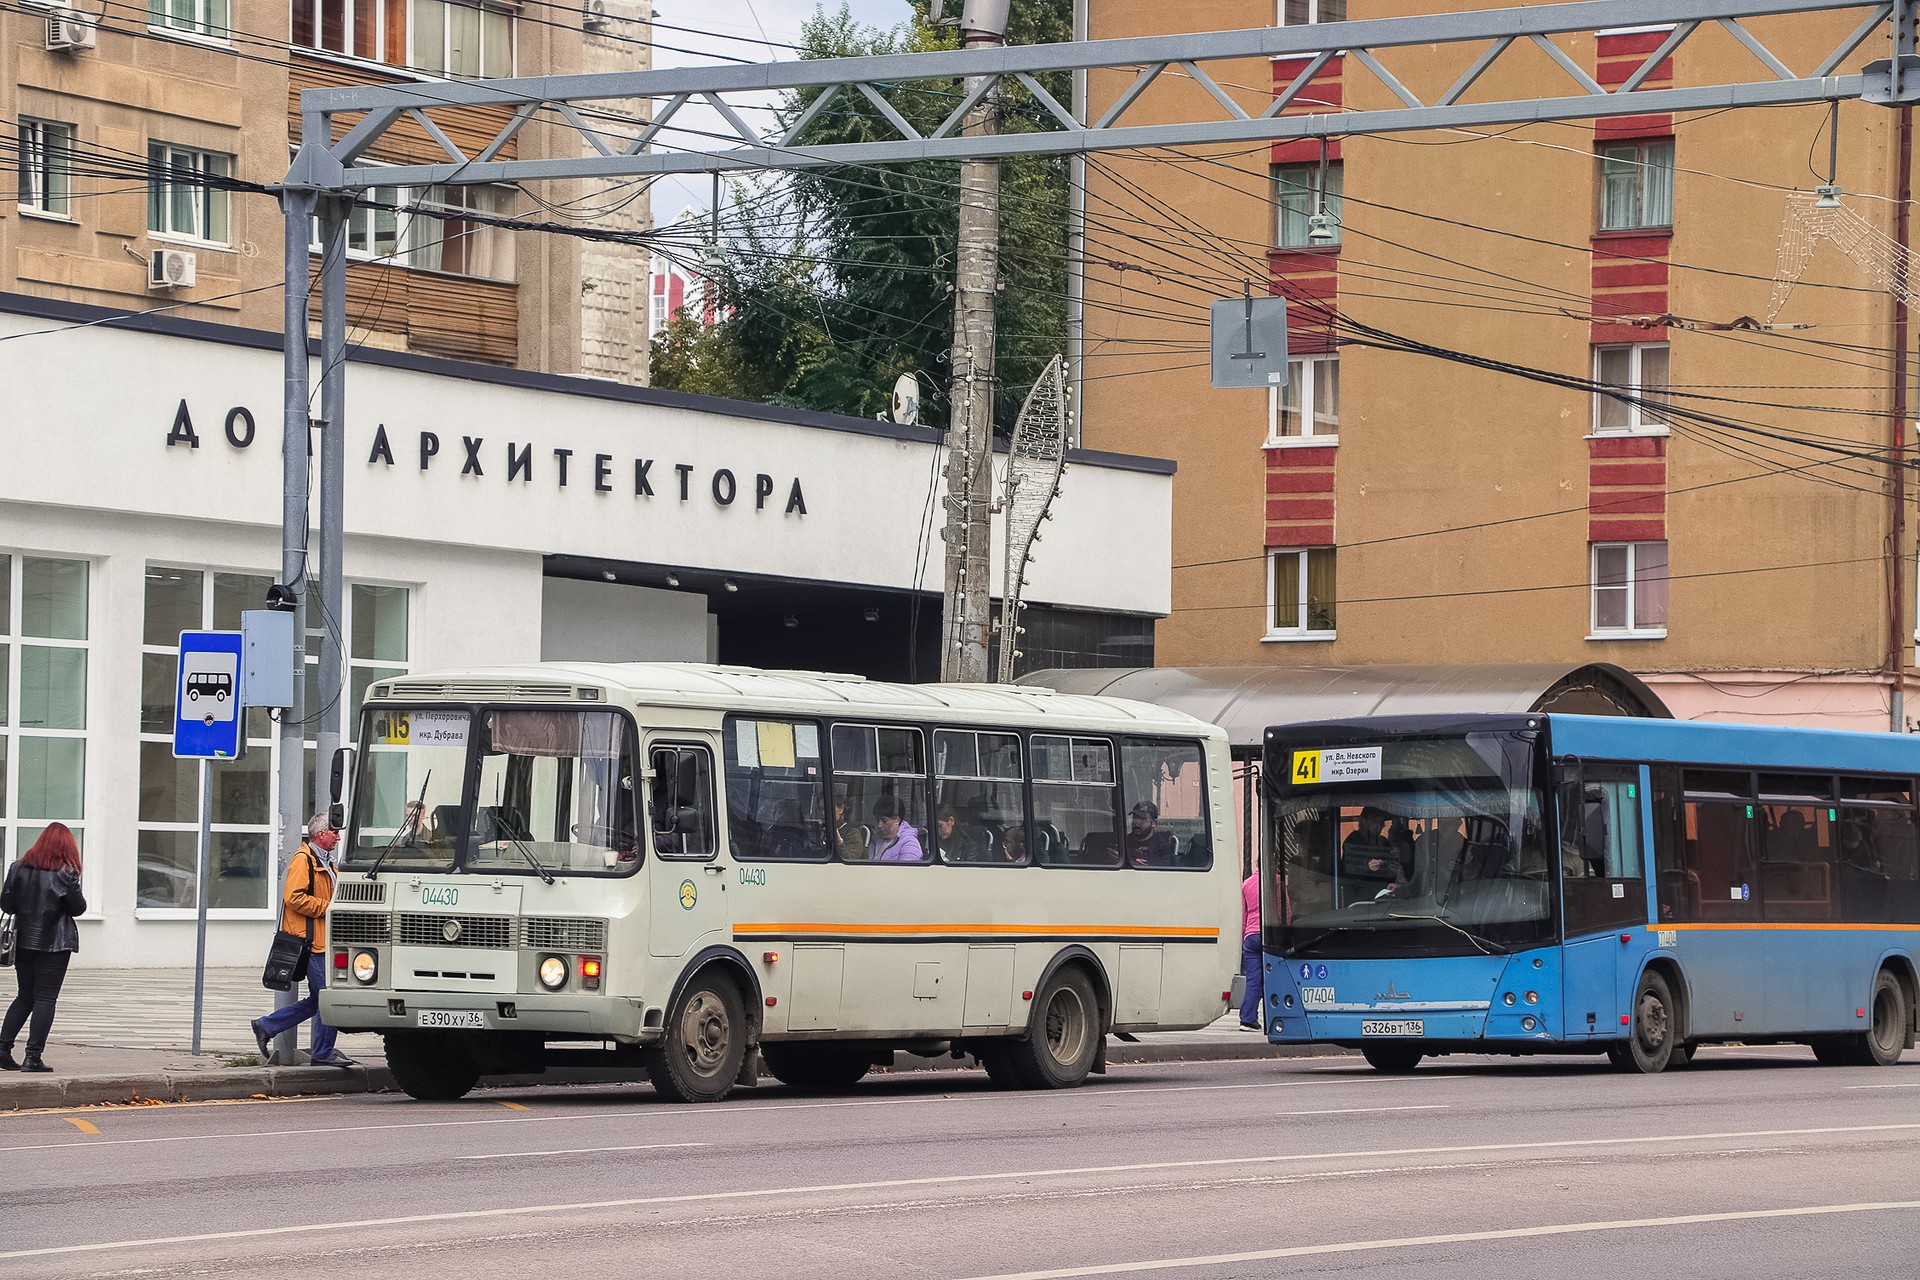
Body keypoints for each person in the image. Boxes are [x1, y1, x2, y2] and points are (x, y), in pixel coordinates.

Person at [251, 814, 355, 1068]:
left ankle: (267, 1025)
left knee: (319, 999)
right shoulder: (304, 860)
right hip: (312, 942)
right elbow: (293, 898)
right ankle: (321, 1052)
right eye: (334, 833)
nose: (338, 837)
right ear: (320, 834)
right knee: (327, 998)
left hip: (323, 941)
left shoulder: (327, 862)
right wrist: (327, 907)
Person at [0, 823, 87, 1073]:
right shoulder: (67, 872)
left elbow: (6, 903)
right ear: (67, 846)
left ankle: (3, 1049)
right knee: (45, 998)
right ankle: (33, 1057)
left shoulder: (18, 868)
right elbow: (78, 908)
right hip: (55, 944)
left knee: (24, 995)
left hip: (24, 940)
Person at [1341, 807, 1406, 889]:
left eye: (1381, 823)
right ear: (1364, 821)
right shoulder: (1352, 840)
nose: (1379, 826)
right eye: (1375, 821)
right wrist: (1367, 866)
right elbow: (1347, 869)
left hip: (1384, 891)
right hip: (1358, 892)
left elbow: (1394, 865)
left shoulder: (1385, 842)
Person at [1239, 872, 1263, 1031]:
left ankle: (1247, 1019)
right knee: (1274, 978)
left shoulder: (1246, 884)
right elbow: (1285, 909)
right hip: (1268, 935)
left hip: (1250, 936)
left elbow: (1243, 914)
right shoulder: (1276, 881)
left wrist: (1243, 936)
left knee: (1252, 980)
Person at [869, 796, 925, 863]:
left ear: (897, 820)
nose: (879, 825)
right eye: (878, 820)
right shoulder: (876, 839)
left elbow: (908, 871)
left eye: (884, 821)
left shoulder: (909, 843)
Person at [1126, 801, 1177, 866]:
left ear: (1154, 823)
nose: (1137, 823)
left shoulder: (1162, 847)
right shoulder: (1123, 842)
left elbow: (1159, 873)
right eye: (1135, 817)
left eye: (1142, 819)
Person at [833, 788, 867, 861]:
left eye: (829, 809)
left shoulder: (853, 832)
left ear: (841, 809)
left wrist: (839, 842)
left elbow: (850, 861)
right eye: (820, 809)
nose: (823, 813)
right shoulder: (818, 829)